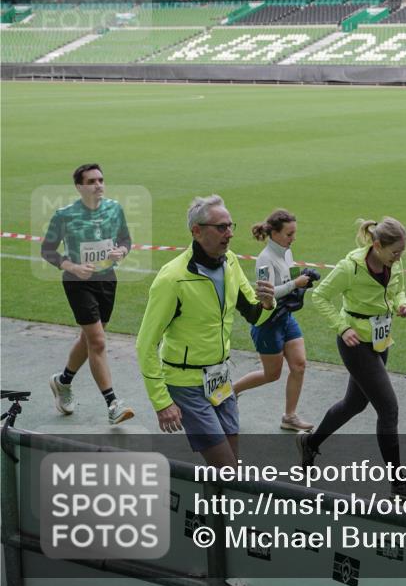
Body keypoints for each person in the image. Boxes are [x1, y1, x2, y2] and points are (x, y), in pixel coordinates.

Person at [135, 195, 275, 468]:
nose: (230, 233)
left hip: (220, 379)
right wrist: (162, 402)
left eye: (230, 225)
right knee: (227, 468)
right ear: (197, 231)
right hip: (186, 384)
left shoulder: (230, 261)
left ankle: (211, 499)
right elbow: (145, 344)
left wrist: (268, 304)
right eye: (221, 227)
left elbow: (254, 314)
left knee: (229, 464)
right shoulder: (172, 278)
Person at [298, 217, 406, 498]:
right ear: (377, 245)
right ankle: (398, 482)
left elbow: (398, 289)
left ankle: (310, 442)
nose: (398, 257)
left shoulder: (394, 262)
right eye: (395, 252)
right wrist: (342, 328)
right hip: (355, 344)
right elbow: (319, 296)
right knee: (388, 409)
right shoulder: (349, 267)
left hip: (380, 340)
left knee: (354, 404)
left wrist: (402, 304)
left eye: (402, 252)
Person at [42, 163, 134, 425]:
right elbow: (47, 250)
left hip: (107, 280)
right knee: (98, 341)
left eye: (101, 180)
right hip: (77, 283)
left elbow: (125, 240)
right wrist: (72, 267)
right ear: (79, 187)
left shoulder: (115, 209)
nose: (98, 185)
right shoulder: (65, 215)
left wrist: (121, 251)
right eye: (92, 181)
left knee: (90, 338)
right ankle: (113, 404)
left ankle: (63, 381)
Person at [232, 209, 320, 432]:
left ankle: (289, 417)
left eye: (294, 233)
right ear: (274, 233)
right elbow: (267, 294)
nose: (293, 238)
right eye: (289, 234)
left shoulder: (286, 252)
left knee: (299, 365)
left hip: (285, 317)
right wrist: (294, 284)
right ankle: (231, 392)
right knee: (272, 375)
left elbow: (292, 276)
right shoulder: (264, 259)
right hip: (268, 323)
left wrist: (305, 277)